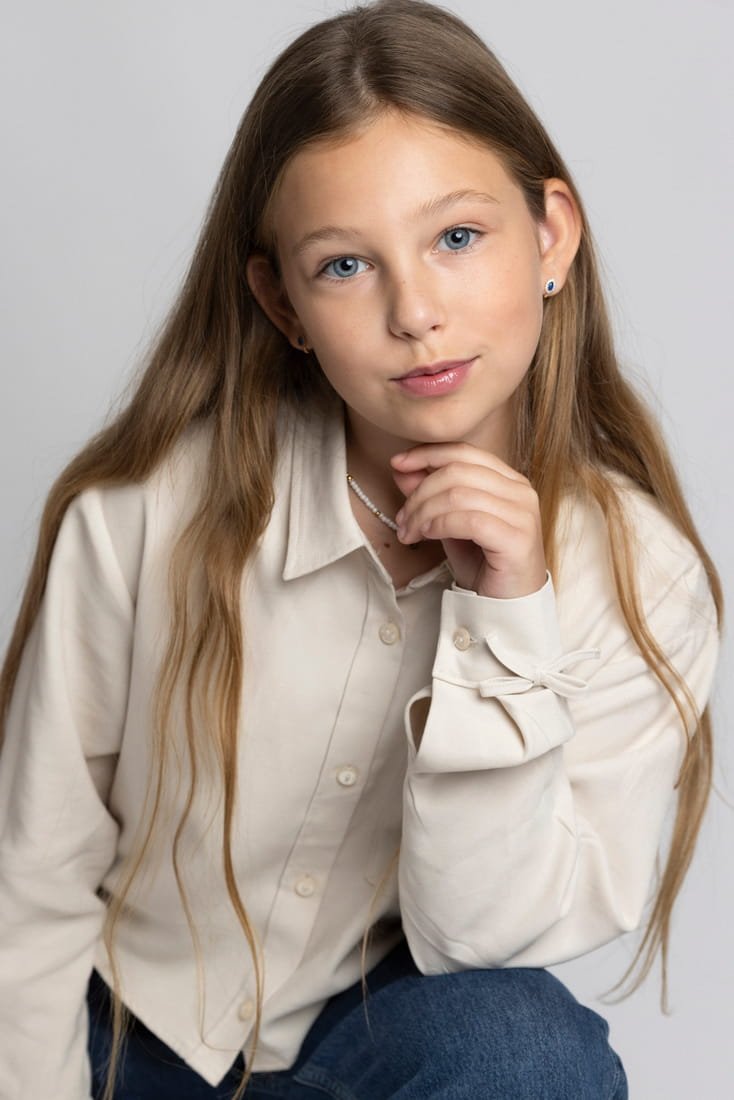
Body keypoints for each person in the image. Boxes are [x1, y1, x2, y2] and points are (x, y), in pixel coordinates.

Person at [0, 1, 722, 1097]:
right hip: (117, 1035)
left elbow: (484, 939)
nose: (415, 312)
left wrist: (504, 619)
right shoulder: (144, 513)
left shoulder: (644, 582)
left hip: (366, 1048)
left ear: (551, 236)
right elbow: (32, 876)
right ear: (282, 303)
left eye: (456, 237)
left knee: (525, 1047)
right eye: (344, 265)